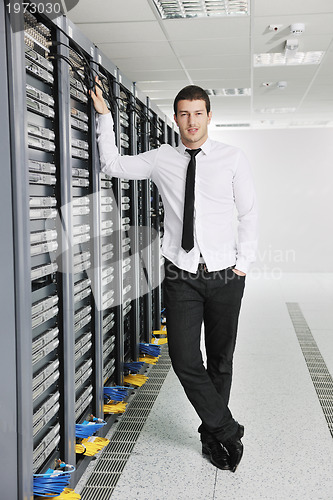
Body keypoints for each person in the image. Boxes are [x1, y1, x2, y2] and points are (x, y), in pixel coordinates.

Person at [90, 77, 258, 472]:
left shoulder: (232, 157)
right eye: (184, 114)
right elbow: (112, 165)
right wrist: (104, 118)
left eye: (198, 114)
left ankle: (212, 436)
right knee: (184, 357)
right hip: (181, 272)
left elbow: (249, 213)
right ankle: (227, 428)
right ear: (177, 119)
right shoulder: (162, 157)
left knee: (220, 358)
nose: (191, 121)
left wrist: (243, 264)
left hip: (225, 275)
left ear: (209, 117)